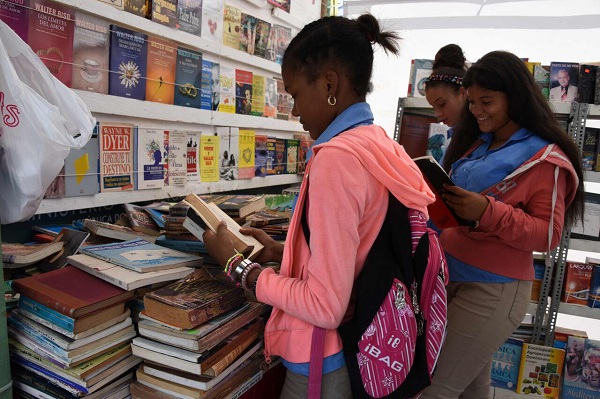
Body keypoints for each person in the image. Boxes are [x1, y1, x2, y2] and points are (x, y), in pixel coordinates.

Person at [202, 13, 435, 399]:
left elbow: (325, 305)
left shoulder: (336, 158)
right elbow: (361, 245)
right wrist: (288, 251)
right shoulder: (379, 144)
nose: (295, 112)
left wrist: (239, 268)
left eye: (294, 94)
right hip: (358, 346)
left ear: (330, 83)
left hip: (325, 362)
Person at [419, 50, 585, 399]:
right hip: (450, 278)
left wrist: (486, 211)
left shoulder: (544, 158)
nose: (476, 110)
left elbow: (548, 234)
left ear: (515, 97)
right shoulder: (478, 142)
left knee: (433, 388)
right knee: (469, 390)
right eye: (472, 101)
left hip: (493, 290)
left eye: (487, 102)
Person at [424, 44, 469, 170]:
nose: (438, 114)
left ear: (463, 93)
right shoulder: (452, 139)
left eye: (442, 104)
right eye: (434, 107)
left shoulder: (486, 136)